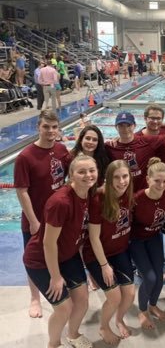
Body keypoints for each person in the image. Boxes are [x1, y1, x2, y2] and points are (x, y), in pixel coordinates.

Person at [23, 155, 98, 348]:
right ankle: (54, 344)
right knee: (64, 308)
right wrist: (56, 277)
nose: (88, 175)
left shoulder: (89, 193)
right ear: (71, 175)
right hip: (40, 260)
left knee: (82, 300)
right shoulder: (61, 202)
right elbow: (48, 244)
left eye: (92, 170)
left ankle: (73, 335)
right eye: (81, 171)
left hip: (68, 255)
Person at [14, 110, 70, 319]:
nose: (50, 131)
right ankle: (34, 298)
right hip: (35, 219)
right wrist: (33, 221)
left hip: (58, 217)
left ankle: (59, 281)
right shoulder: (25, 157)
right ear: (38, 127)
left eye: (54, 127)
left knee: (58, 252)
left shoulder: (62, 149)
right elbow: (21, 191)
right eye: (46, 127)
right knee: (35, 260)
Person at [83, 160, 135, 344]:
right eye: (117, 177)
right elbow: (94, 237)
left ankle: (119, 319)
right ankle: (104, 327)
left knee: (129, 293)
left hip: (119, 251)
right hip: (97, 255)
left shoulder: (128, 194)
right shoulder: (99, 199)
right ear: (108, 179)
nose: (122, 181)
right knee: (114, 296)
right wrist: (104, 266)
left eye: (125, 176)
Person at [130, 158, 165, 329]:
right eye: (157, 181)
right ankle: (142, 310)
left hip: (155, 237)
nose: (161, 185)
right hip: (137, 241)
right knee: (149, 277)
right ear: (148, 179)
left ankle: (153, 305)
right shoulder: (137, 199)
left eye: (164, 181)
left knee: (159, 277)